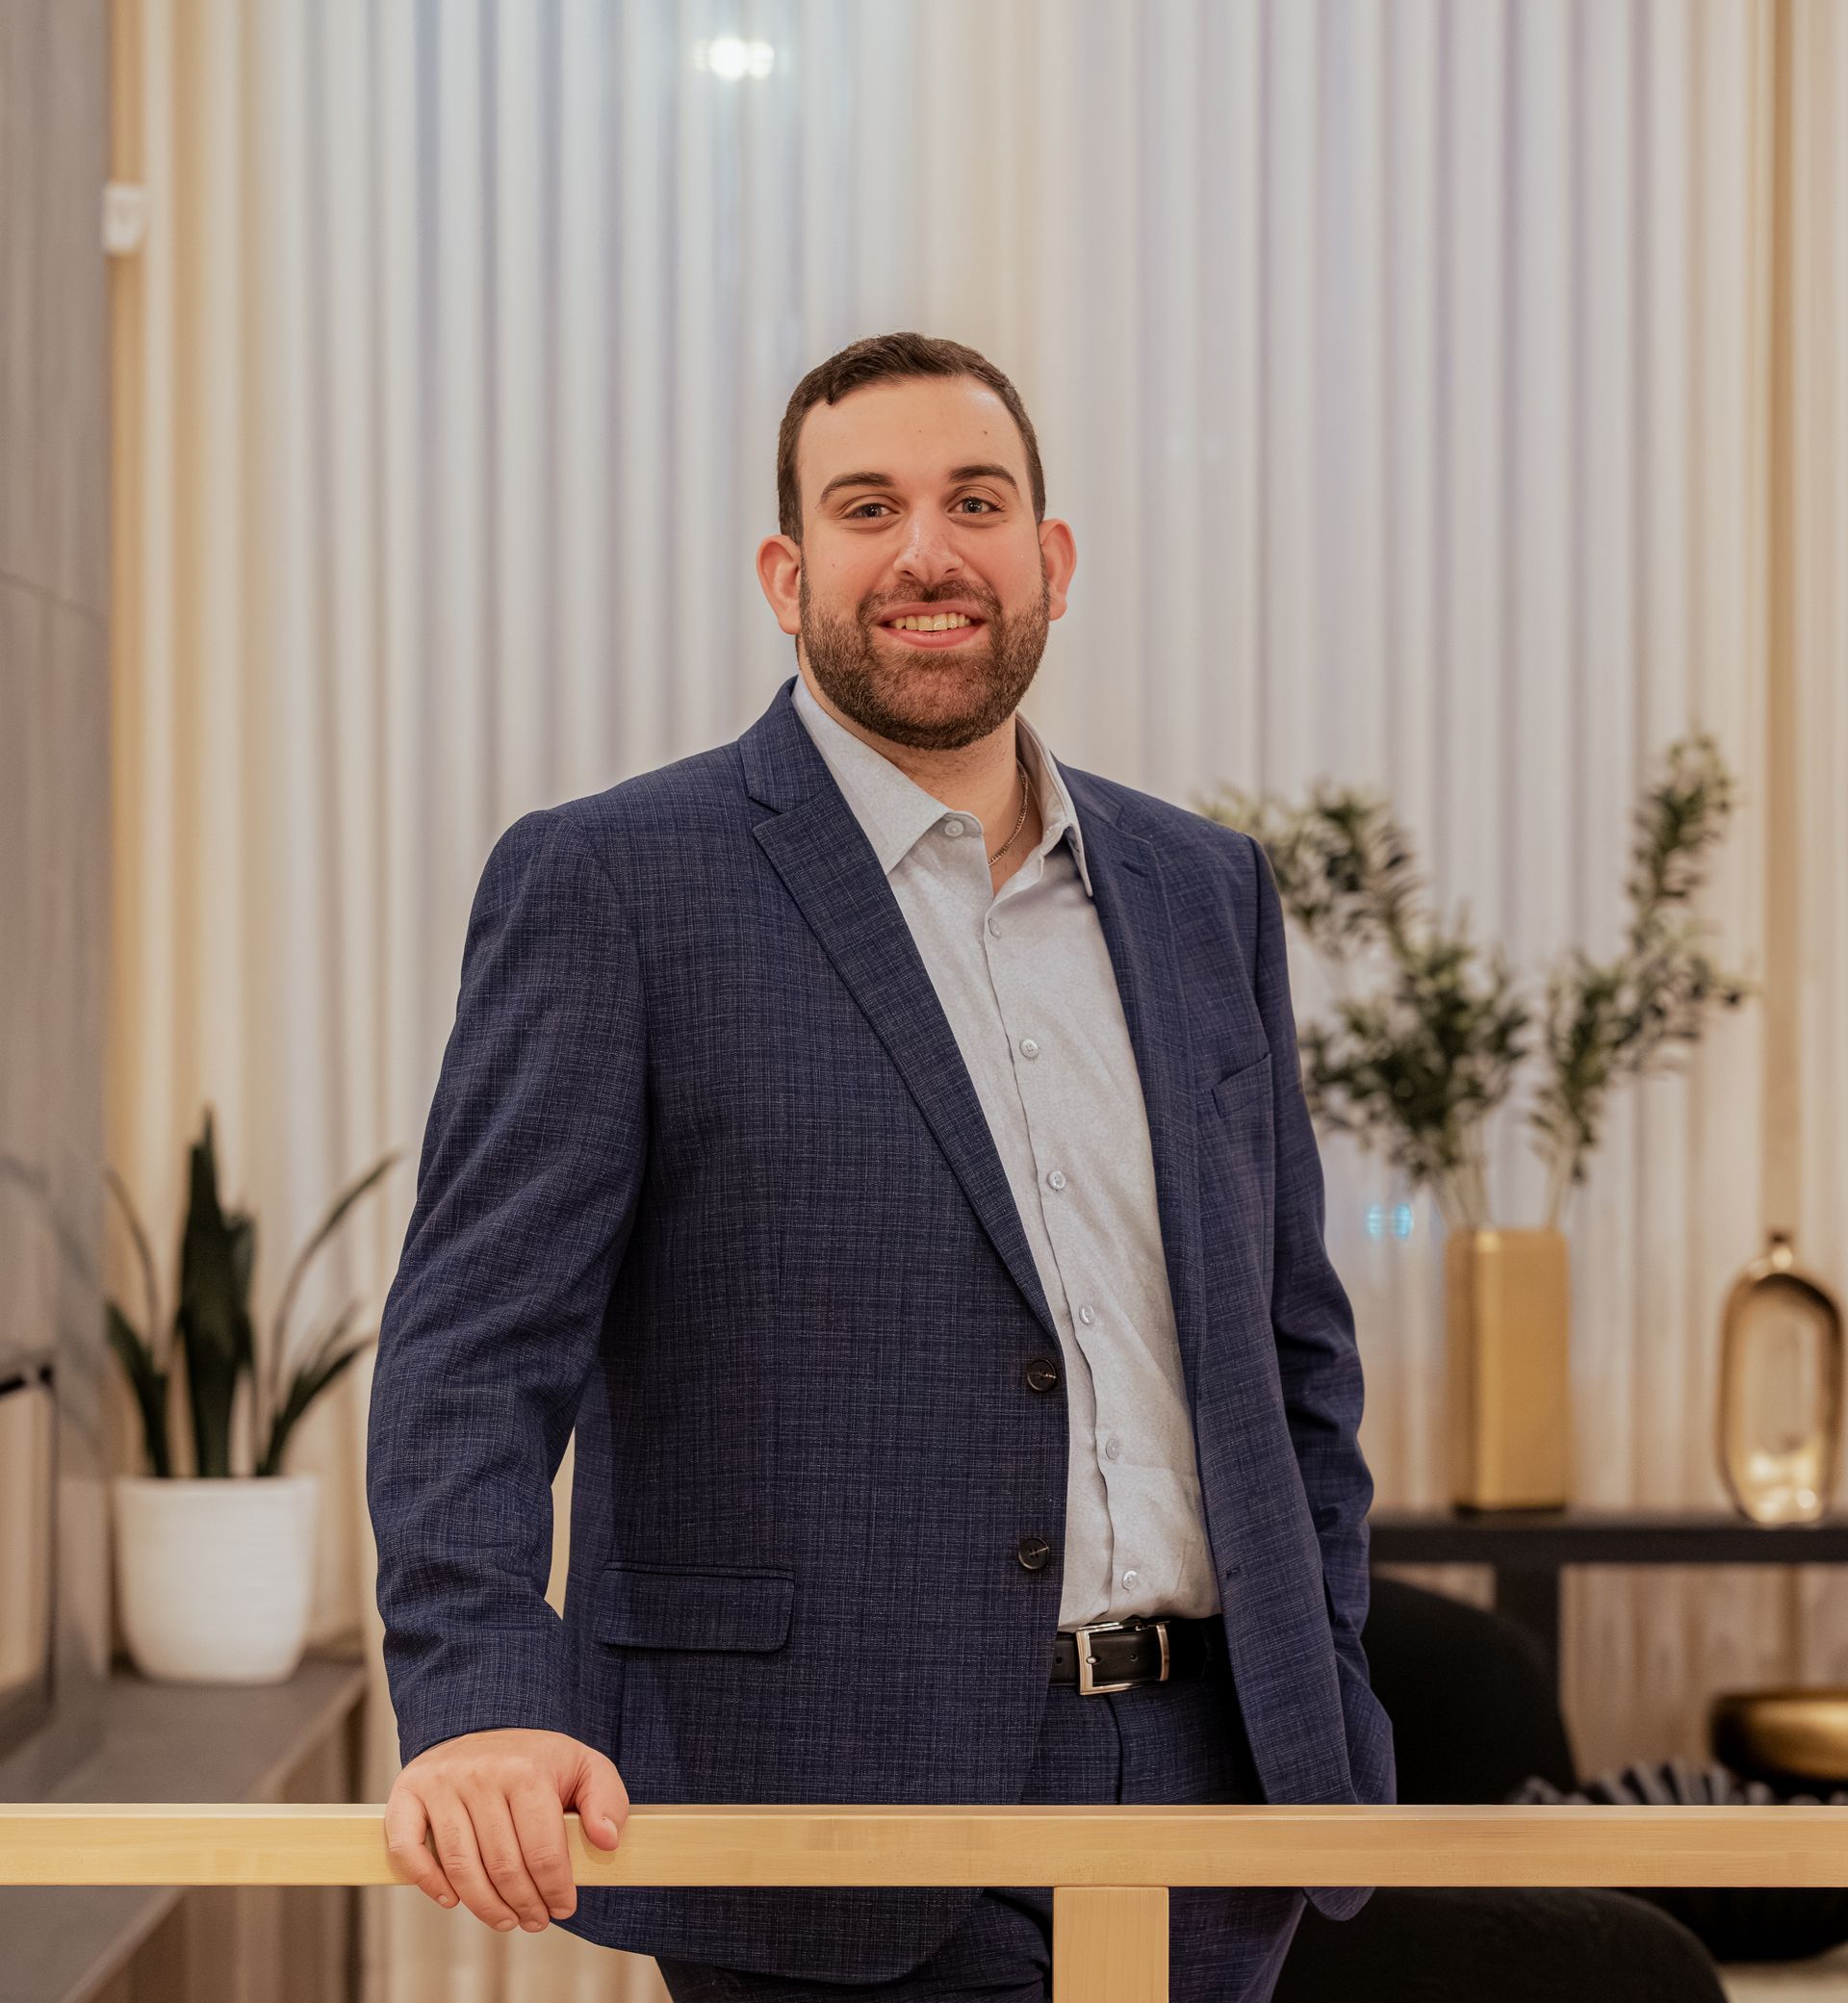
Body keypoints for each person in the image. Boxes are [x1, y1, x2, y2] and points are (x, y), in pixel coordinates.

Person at [367, 331, 1395, 2003]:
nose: (929, 551)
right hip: (822, 1800)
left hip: (1221, 1796)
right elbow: (471, 1355)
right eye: (870, 507)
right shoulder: (615, 885)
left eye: (975, 503)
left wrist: (1327, 1672)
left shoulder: (1207, 891)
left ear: (1049, 562)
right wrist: (481, 1693)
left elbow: (1296, 1356)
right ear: (789, 575)